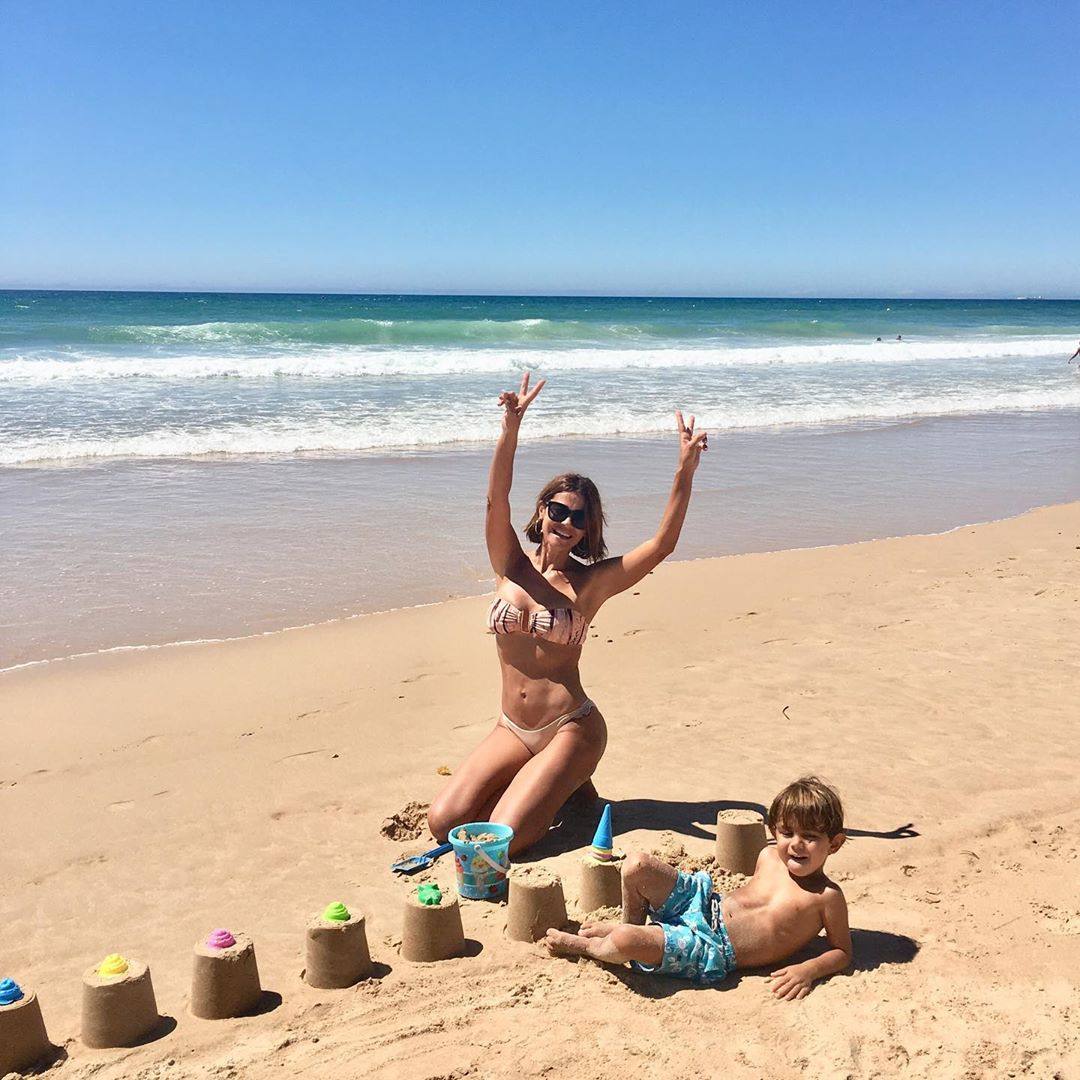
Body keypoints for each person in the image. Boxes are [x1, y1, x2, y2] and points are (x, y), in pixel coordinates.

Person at [427, 373, 708, 854]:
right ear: (542, 511)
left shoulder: (591, 582)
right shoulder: (509, 565)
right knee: (443, 822)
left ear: (588, 529)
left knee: (504, 841)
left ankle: (568, 778)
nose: (567, 523)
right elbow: (496, 499)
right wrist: (510, 427)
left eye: (580, 518)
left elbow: (661, 546)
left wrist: (685, 468)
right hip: (511, 728)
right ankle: (565, 788)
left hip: (571, 726)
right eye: (560, 510)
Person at [544, 776, 852, 998]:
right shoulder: (768, 855)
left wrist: (808, 970)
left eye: (810, 837)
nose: (796, 844)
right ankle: (633, 935)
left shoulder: (827, 898)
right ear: (774, 831)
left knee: (625, 939)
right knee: (636, 865)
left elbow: (841, 951)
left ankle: (596, 946)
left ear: (834, 843)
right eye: (787, 833)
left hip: (711, 948)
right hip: (704, 902)